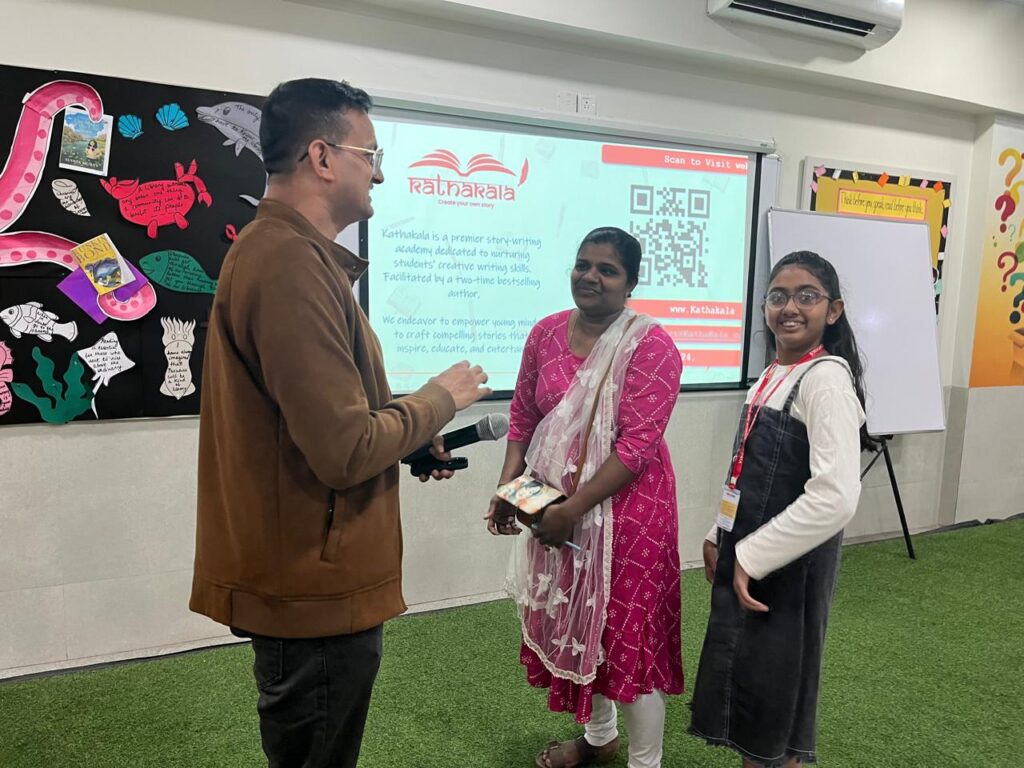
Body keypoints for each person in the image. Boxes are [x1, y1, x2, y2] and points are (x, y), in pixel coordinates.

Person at [189, 78, 490, 768]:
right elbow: (345, 450)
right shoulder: (288, 262)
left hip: (311, 575)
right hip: (311, 587)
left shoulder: (291, 254)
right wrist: (439, 400)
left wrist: (410, 436)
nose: (379, 173)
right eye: (370, 154)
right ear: (322, 158)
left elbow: (326, 424)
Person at [487, 227, 684, 768]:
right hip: (550, 502)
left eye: (607, 270)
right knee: (576, 623)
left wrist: (571, 511)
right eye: (583, 265)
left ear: (631, 283)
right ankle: (600, 736)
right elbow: (525, 416)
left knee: (625, 635)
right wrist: (510, 488)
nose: (590, 277)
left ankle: (646, 761)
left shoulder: (651, 345)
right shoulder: (546, 332)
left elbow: (637, 446)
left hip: (629, 515)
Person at [689, 251, 869, 768]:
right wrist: (719, 532)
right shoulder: (775, 373)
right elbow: (746, 469)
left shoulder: (825, 380)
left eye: (806, 296)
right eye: (778, 296)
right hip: (751, 554)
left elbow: (836, 496)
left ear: (833, 311)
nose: (790, 307)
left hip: (788, 568)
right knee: (752, 692)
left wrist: (751, 556)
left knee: (775, 697)